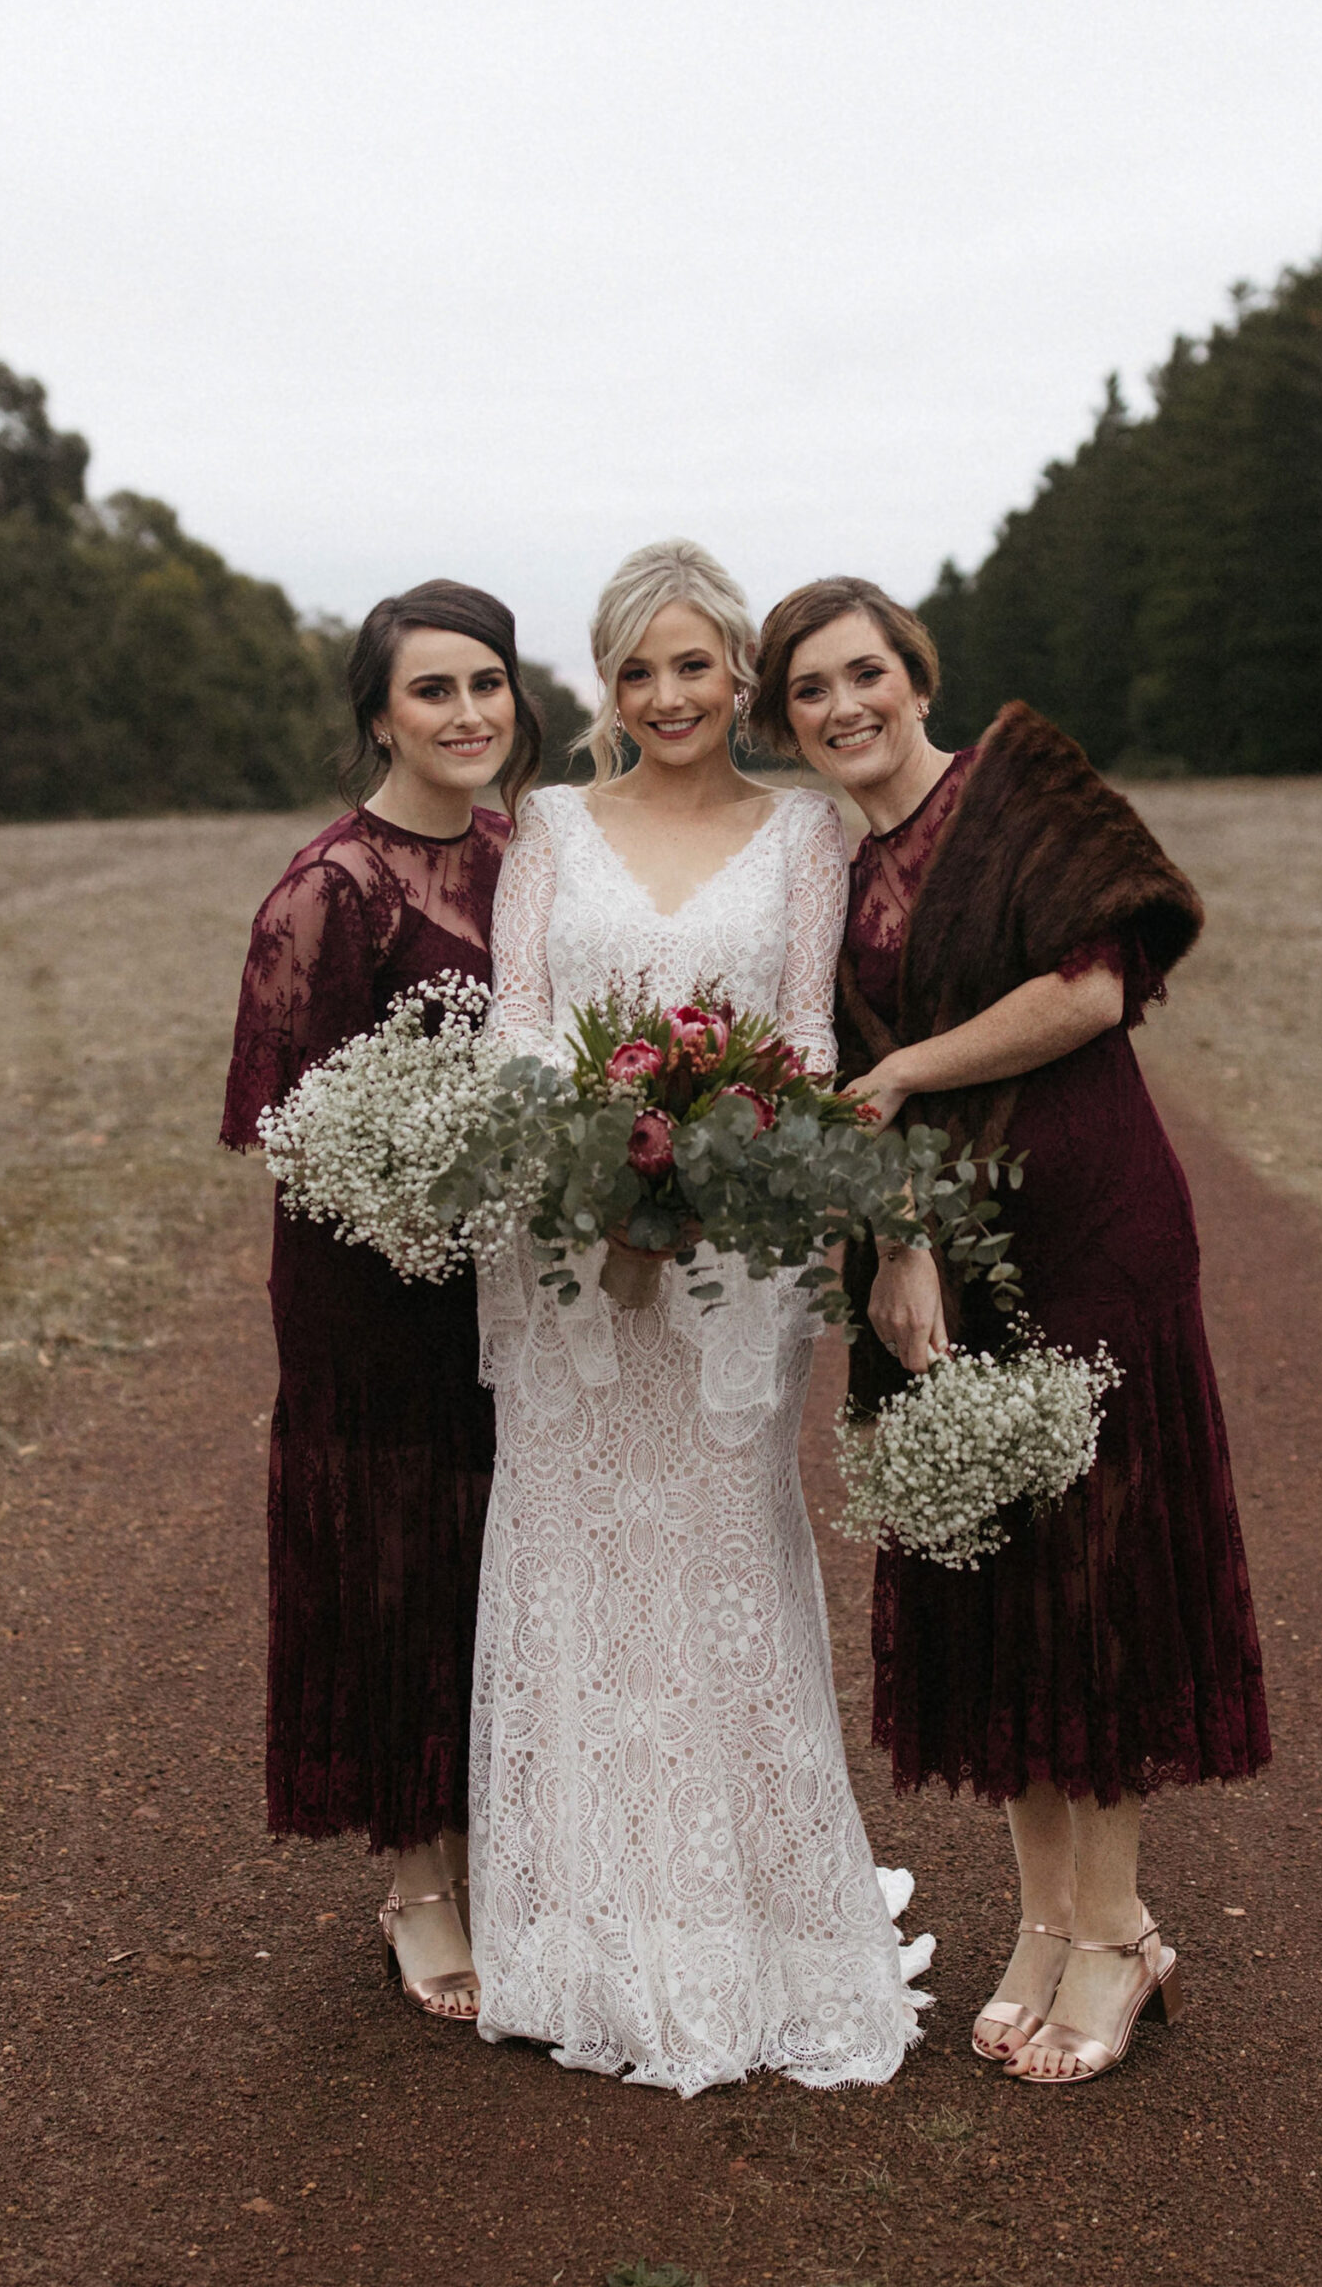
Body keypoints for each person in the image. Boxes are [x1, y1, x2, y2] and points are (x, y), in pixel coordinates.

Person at [751, 576, 1270, 2087]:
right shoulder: (836, 880)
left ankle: (1116, 1930)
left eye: (866, 674)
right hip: (945, 1264)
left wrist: (914, 1063)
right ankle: (1047, 1923)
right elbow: (845, 1086)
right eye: (810, 694)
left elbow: (1094, 990)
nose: (846, 707)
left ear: (919, 673)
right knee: (999, 1587)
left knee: (1097, 1579)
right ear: (791, 725)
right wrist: (898, 1248)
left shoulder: (1025, 780)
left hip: (1090, 1228)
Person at [471, 539, 928, 2095]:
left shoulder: (805, 833)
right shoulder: (546, 824)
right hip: (569, 1275)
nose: (669, 695)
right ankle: (585, 1934)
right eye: (637, 669)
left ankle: (752, 1926)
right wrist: (585, 1181)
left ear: (741, 673)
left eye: (695, 664)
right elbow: (523, 1021)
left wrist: (720, 1173)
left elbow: (802, 1026)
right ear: (607, 686)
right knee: (577, 1555)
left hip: (737, 1262)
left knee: (724, 1552)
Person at [221, 581, 542, 2020]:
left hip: (527, 1285)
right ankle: (420, 1884)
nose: (468, 714)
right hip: (381, 1294)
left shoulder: (524, 856)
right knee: (407, 1561)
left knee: (511, 1564)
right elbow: (294, 1132)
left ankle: (520, 1854)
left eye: (487, 684)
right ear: (377, 717)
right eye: (433, 691)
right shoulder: (327, 893)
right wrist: (435, 1202)